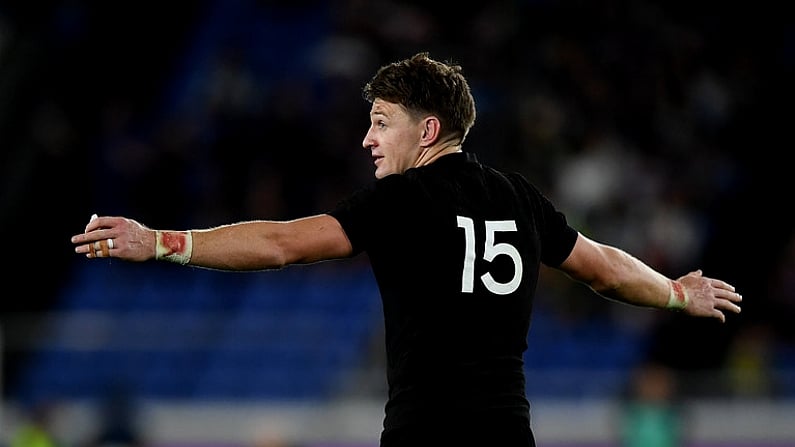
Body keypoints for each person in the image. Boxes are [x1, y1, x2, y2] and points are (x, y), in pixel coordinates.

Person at [71, 52, 742, 447]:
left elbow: (280, 244)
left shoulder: (404, 200)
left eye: (379, 122)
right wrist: (676, 292)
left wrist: (160, 241)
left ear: (427, 130)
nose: (366, 139)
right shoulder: (518, 196)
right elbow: (602, 266)